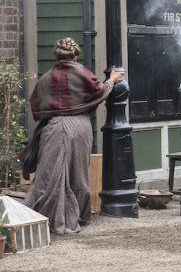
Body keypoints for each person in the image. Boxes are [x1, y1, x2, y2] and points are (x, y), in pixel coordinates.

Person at [21, 38, 123, 234]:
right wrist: (111, 80)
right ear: (75, 56)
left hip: (53, 128)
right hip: (79, 128)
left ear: (57, 56)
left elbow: (35, 105)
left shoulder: (46, 77)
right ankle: (79, 217)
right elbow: (100, 92)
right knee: (78, 175)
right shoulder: (83, 72)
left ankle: (43, 219)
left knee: (47, 175)